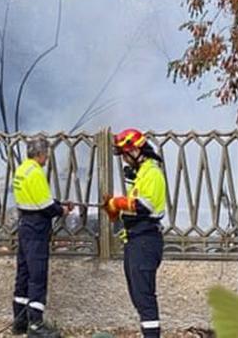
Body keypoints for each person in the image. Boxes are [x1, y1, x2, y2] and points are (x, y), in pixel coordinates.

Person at [103, 128, 167, 338]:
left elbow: (144, 206)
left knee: (144, 297)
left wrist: (118, 202)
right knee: (138, 296)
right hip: (135, 240)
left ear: (135, 150)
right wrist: (114, 211)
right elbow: (130, 211)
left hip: (145, 241)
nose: (124, 159)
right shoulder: (141, 175)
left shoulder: (152, 173)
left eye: (124, 154)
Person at [12, 137, 72, 337]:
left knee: (23, 274)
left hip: (25, 224)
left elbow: (35, 197)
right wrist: (61, 210)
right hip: (36, 228)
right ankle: (36, 325)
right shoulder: (36, 172)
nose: (47, 158)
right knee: (37, 275)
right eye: (46, 154)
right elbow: (45, 205)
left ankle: (19, 322)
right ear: (40, 154)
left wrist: (57, 203)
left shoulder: (22, 169)